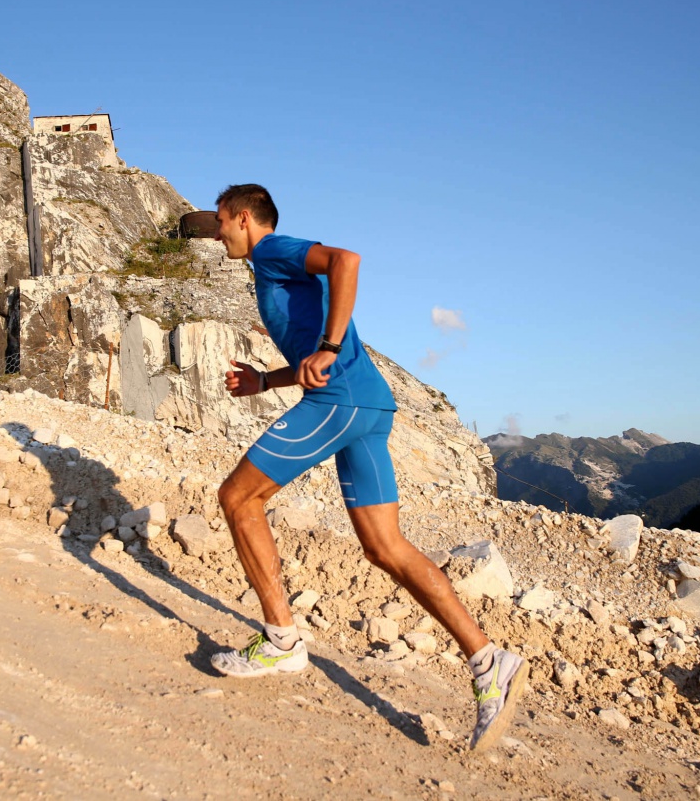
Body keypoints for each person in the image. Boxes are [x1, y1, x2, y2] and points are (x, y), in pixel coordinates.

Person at [206, 183, 528, 751]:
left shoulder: (272, 249)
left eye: (221, 223)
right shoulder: (271, 268)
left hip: (342, 401)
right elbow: (311, 359)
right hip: (368, 403)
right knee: (384, 547)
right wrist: (266, 380)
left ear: (243, 218)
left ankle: (281, 642)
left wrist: (330, 347)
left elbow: (346, 261)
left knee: (238, 497)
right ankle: (488, 661)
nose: (218, 234)